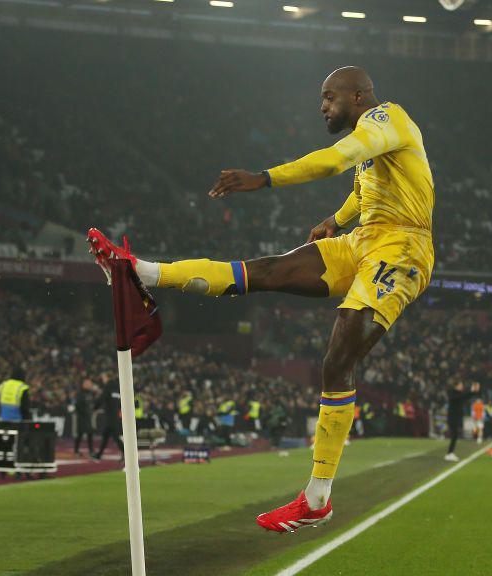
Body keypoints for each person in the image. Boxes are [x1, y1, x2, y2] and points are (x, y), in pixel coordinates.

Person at [87, 65, 434, 532]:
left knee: (338, 357)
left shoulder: (387, 119)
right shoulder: (373, 147)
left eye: (329, 97)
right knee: (269, 269)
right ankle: (140, 270)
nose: (323, 106)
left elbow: (335, 161)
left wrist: (263, 178)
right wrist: (335, 219)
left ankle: (318, 497)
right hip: (362, 241)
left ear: (357, 96)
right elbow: (359, 190)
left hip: (403, 246)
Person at [93, 373, 125, 461]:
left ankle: (126, 454)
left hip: (110, 416)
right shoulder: (118, 388)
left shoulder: (108, 387)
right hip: (116, 415)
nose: (102, 379)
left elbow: (102, 398)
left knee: (114, 436)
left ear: (107, 377)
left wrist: (95, 406)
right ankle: (99, 455)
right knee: (106, 436)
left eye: (103, 377)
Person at [445, 380, 474, 462]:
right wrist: (469, 391)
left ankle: (450, 453)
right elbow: (459, 397)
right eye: (461, 385)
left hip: (457, 417)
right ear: (456, 386)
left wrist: (472, 391)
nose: (462, 387)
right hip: (452, 417)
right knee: (454, 435)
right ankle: (449, 453)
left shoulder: (459, 394)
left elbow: (466, 396)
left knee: (455, 435)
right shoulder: (452, 393)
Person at [73, 379, 96, 457]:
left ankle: (91, 451)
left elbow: (91, 404)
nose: (90, 385)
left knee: (90, 433)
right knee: (80, 434)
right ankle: (76, 451)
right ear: (84, 385)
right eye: (88, 384)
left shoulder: (90, 393)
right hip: (82, 417)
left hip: (88, 417)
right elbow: (77, 405)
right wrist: (85, 412)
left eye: (90, 384)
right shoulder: (80, 394)